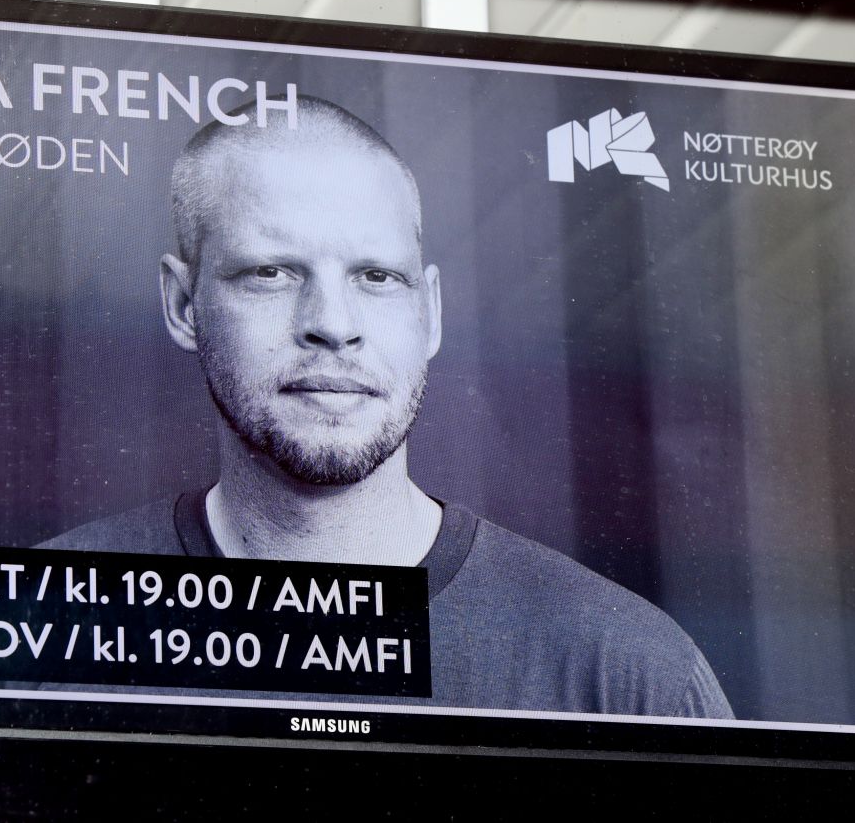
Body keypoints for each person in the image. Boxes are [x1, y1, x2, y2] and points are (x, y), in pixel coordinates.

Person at [46, 96, 733, 719]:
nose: (332, 323)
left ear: (428, 311)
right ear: (182, 303)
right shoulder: (44, 626)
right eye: (272, 271)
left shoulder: (629, 674)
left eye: (377, 276)